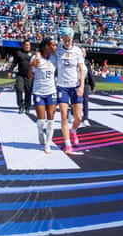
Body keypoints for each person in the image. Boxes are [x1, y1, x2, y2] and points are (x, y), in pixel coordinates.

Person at [55, 27, 86, 155]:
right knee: (63, 116)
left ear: (72, 39)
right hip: (62, 86)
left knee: (79, 117)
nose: (67, 42)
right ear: (62, 38)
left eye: (69, 40)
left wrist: (82, 86)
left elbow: (81, 70)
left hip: (75, 86)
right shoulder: (57, 49)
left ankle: (73, 131)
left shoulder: (77, 51)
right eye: (64, 39)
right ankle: (68, 144)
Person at [29, 37, 58, 153]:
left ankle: (48, 144)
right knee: (41, 120)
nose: (55, 47)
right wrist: (31, 65)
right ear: (47, 46)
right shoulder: (36, 58)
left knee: (51, 119)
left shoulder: (55, 58)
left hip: (51, 92)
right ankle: (40, 132)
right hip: (39, 92)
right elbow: (30, 75)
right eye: (53, 45)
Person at [9, 40, 34, 113]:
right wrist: (10, 71)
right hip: (20, 75)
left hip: (29, 75)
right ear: (23, 45)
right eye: (26, 45)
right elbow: (14, 63)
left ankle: (27, 107)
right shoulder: (19, 53)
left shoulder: (33, 53)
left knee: (28, 91)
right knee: (19, 89)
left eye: (28, 45)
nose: (27, 46)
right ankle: (20, 106)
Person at [81, 54, 96, 128]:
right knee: (74, 100)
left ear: (85, 54)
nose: (82, 53)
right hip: (75, 82)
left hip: (85, 83)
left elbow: (90, 74)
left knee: (85, 101)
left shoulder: (87, 63)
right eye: (81, 52)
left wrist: (92, 86)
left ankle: (85, 119)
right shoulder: (74, 60)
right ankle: (72, 113)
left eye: (83, 52)